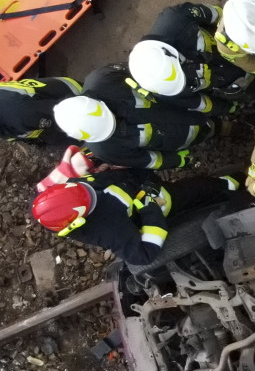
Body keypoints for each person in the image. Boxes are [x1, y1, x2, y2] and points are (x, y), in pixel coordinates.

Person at [31, 168, 238, 266]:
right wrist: (152, 211)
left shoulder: (70, 196)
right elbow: (144, 255)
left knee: (195, 187)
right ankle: (232, 185)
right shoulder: (109, 229)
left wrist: (146, 178)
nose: (90, 191)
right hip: (155, 206)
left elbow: (111, 178)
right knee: (195, 191)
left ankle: (226, 184)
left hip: (142, 189)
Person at [53, 64, 217, 168]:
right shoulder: (104, 149)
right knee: (211, 129)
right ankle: (216, 129)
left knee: (213, 109)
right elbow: (148, 160)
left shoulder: (103, 80)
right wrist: (180, 161)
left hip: (183, 102)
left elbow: (144, 69)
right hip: (184, 137)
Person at [128, 2, 252, 102]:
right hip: (220, 76)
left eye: (181, 70)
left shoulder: (176, 18)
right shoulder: (162, 86)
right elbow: (192, 97)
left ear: (171, 54)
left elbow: (217, 15)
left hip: (228, 43)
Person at [0, 77, 83, 144]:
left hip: (77, 101)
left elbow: (69, 113)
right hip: (46, 105)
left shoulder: (19, 115)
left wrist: (88, 154)